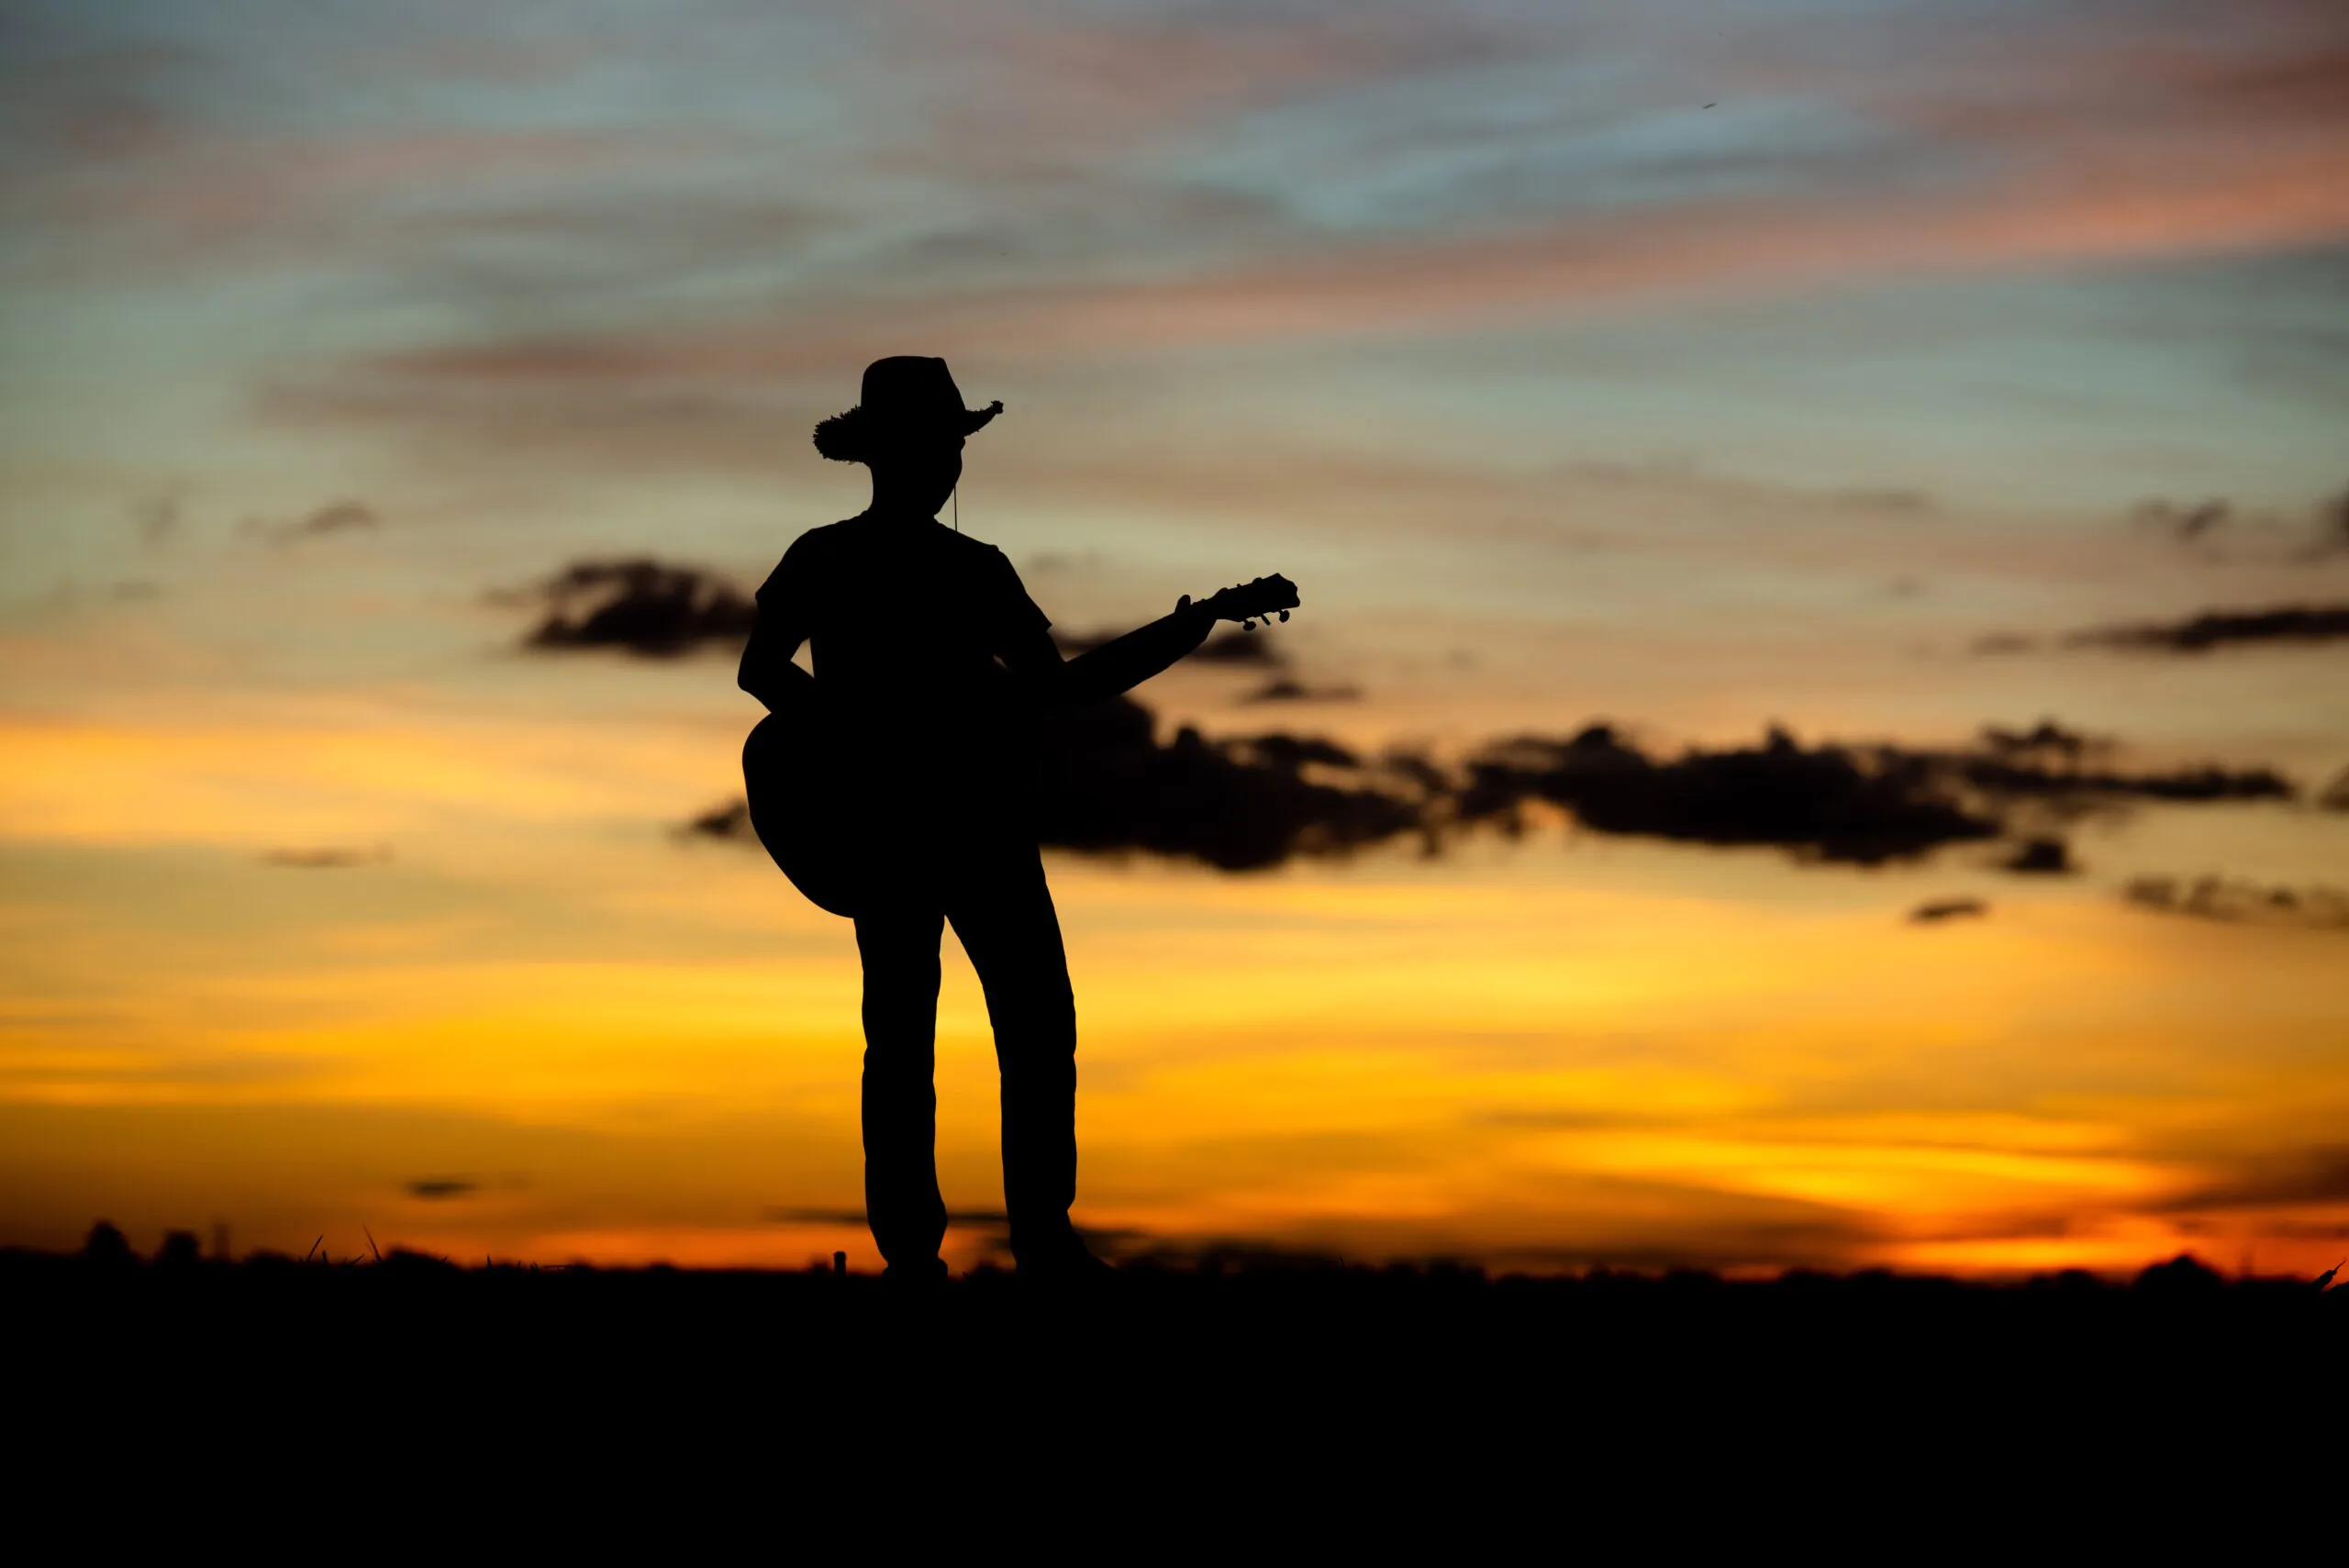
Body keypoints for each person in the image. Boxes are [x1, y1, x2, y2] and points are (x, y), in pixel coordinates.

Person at [737, 356, 1288, 1281]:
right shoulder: (839, 557)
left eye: (954, 445)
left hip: (966, 829)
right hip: (919, 829)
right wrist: (861, 729)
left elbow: (1054, 686)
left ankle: (1018, 1241)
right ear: (892, 455)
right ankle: (959, 1247)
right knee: (953, 1030)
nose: (950, 461)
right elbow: (762, 670)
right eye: (940, 444)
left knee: (976, 1028)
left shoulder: (942, 565)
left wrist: (1188, 626)